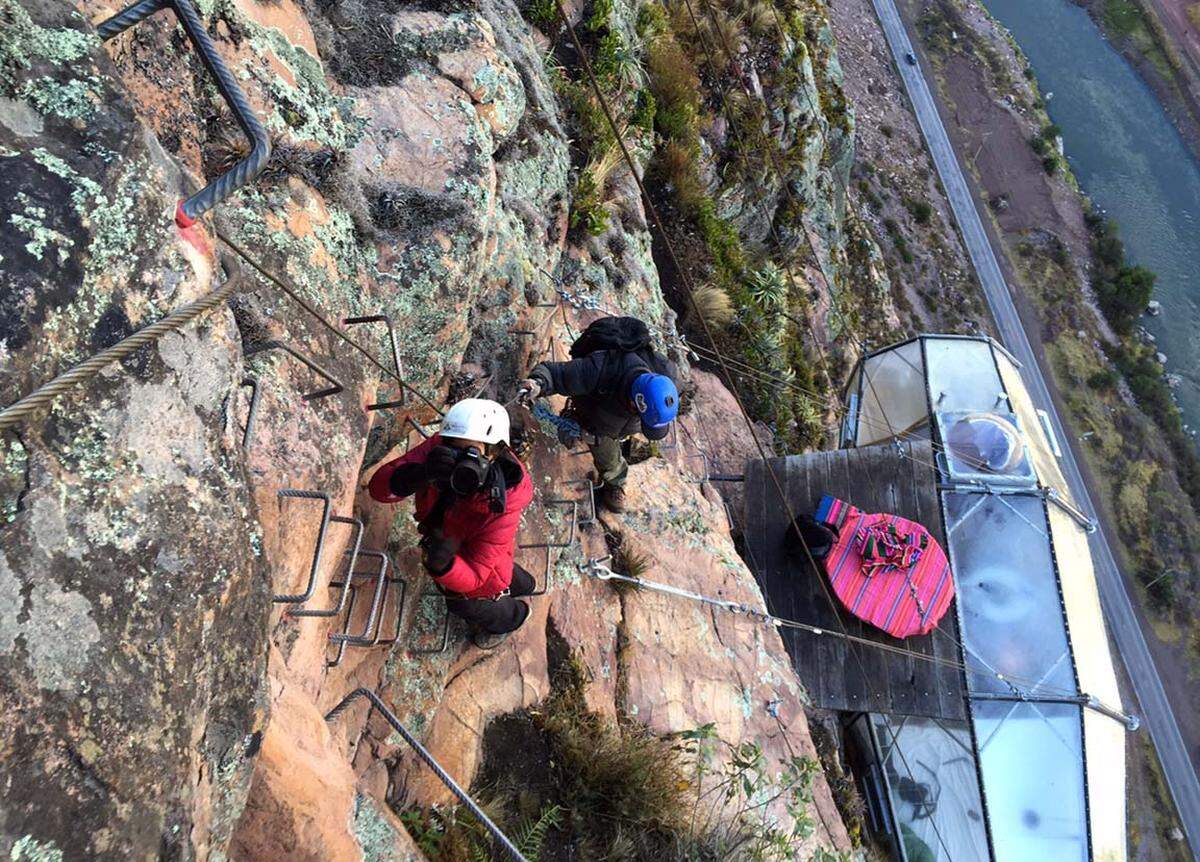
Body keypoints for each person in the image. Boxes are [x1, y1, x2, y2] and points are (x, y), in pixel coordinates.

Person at [368, 398, 535, 649]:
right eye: (453, 449)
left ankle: (516, 615)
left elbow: (477, 575)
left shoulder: (505, 501)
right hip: (468, 547)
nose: (458, 460)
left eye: (471, 452)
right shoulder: (441, 446)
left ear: (496, 451)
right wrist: (420, 472)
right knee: (501, 562)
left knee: (462, 601)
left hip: (476, 566)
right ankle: (527, 584)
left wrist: (444, 566)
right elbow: (379, 490)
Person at [519, 316, 679, 513]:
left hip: (618, 422)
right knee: (609, 457)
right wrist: (538, 383)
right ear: (635, 401)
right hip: (597, 420)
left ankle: (618, 466)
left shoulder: (664, 379)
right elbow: (554, 373)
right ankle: (613, 480)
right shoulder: (600, 369)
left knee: (616, 440)